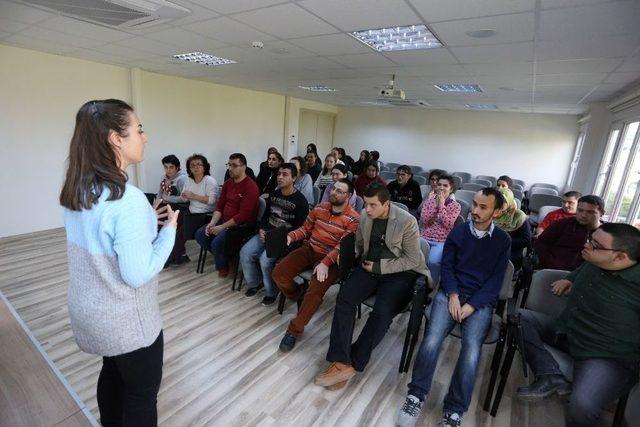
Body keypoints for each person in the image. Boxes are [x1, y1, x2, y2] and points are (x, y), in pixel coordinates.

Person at [60, 99, 179, 425]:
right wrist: (168, 232)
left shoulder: (79, 189)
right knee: (140, 395)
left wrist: (143, 223)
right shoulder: (127, 200)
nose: (145, 137)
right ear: (116, 138)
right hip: (127, 323)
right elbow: (137, 274)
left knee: (112, 372)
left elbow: (103, 238)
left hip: (90, 312)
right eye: (139, 130)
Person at [397, 188, 511, 427]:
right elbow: (447, 268)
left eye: (483, 207)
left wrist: (471, 305)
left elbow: (495, 281)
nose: (475, 211)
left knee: (471, 352)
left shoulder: (503, 240)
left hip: (479, 301)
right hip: (451, 293)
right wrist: (453, 295)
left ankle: (454, 410)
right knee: (431, 340)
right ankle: (416, 394)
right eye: (475, 204)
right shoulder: (459, 231)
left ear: (497, 212)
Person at [516, 223, 640, 427]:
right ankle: (550, 374)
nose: (587, 244)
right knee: (519, 318)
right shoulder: (596, 260)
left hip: (605, 356)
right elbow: (582, 268)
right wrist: (570, 279)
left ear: (621, 257)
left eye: (595, 244)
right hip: (568, 331)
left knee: (582, 406)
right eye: (591, 238)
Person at [315, 184, 428, 389]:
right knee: (345, 299)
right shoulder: (365, 217)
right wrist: (348, 254)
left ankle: (355, 362)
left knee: (382, 312)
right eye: (366, 204)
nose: (367, 209)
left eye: (373, 205)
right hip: (369, 267)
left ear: (387, 204)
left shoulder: (407, 221)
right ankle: (341, 360)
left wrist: (379, 266)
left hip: (399, 273)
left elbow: (412, 259)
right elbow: (360, 244)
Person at [272, 178, 360, 352]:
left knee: (315, 292)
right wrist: (291, 236)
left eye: (339, 191)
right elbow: (305, 229)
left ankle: (294, 330)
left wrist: (325, 263)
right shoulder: (320, 208)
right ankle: (298, 294)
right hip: (309, 249)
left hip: (332, 259)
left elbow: (342, 246)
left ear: (349, 196)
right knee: (278, 273)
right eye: (333, 189)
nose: (334, 192)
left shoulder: (354, 219)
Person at [239, 163, 308, 305]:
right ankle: (256, 283)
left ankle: (272, 292)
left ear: (294, 178)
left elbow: (300, 229)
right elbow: (265, 217)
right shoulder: (274, 194)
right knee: (245, 252)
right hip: (266, 233)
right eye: (279, 174)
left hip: (283, 239)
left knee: (265, 261)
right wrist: (262, 229)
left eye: (285, 174)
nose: (280, 177)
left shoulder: (301, 201)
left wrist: (282, 239)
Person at [195, 153, 260, 278]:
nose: (230, 168)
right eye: (229, 165)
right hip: (224, 220)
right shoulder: (228, 183)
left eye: (234, 165)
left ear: (244, 167)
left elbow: (243, 216)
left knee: (216, 243)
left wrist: (221, 227)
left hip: (241, 226)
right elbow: (220, 206)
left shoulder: (251, 187)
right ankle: (226, 258)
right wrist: (213, 222)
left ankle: (223, 264)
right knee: (200, 234)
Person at [534, 195, 604, 271]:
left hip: (585, 275)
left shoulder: (606, 234)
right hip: (553, 270)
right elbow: (541, 244)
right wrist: (549, 263)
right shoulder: (562, 224)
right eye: (580, 210)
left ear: (602, 213)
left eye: (590, 212)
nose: (583, 215)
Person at [419, 174, 461, 284]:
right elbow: (425, 221)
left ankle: (431, 284)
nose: (441, 188)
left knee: (432, 262)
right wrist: (436, 205)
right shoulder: (429, 201)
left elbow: (448, 224)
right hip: (424, 237)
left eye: (445, 185)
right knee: (413, 257)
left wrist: (442, 205)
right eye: (439, 185)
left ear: (451, 189)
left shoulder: (456, 206)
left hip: (442, 241)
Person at [157, 154, 189, 266]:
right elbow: (160, 194)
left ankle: (173, 256)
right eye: (166, 167)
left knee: (167, 228)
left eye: (171, 167)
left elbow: (185, 199)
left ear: (177, 167)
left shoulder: (182, 179)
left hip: (179, 208)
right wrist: (155, 207)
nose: (168, 170)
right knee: (155, 221)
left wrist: (167, 198)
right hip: (166, 206)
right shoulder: (164, 177)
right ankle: (160, 254)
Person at [494, 187, 531, 270]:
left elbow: (526, 240)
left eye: (503, 201)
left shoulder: (518, 216)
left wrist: (503, 242)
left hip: (511, 250)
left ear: (509, 202)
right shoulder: (491, 212)